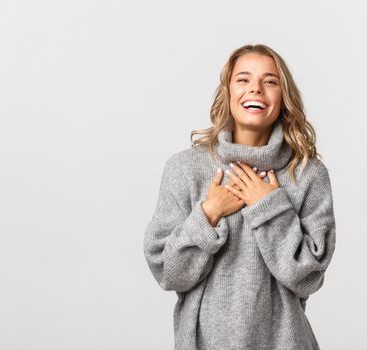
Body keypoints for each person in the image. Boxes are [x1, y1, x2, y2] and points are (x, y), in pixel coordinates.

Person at [143, 43, 336, 350]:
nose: (255, 90)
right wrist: (208, 214)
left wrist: (270, 208)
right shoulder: (185, 169)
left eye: (270, 81)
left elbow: (308, 277)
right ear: (227, 92)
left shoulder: (307, 174)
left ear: (284, 97)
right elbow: (169, 274)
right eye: (243, 79)